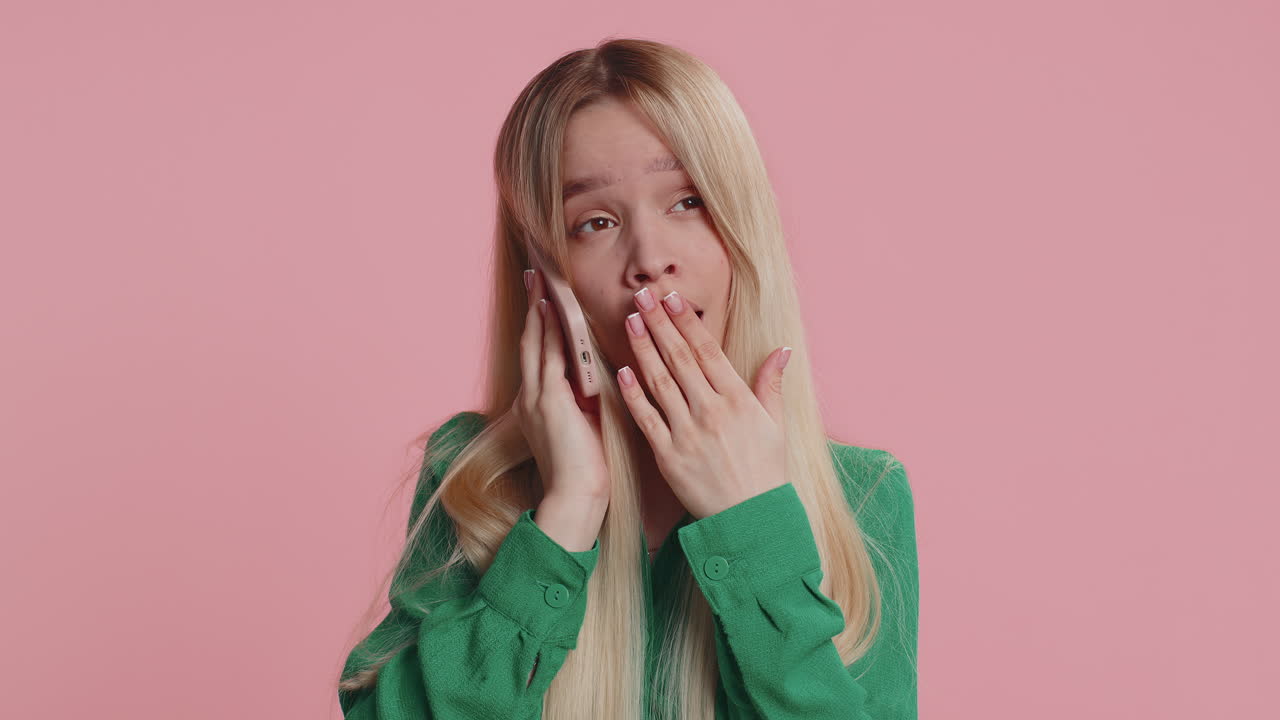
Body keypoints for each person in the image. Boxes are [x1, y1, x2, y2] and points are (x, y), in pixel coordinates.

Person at [336, 36, 918, 720]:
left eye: (688, 202)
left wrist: (750, 524)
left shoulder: (864, 495)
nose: (649, 258)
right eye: (595, 222)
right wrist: (566, 514)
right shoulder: (475, 478)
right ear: (543, 279)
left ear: (744, 226)